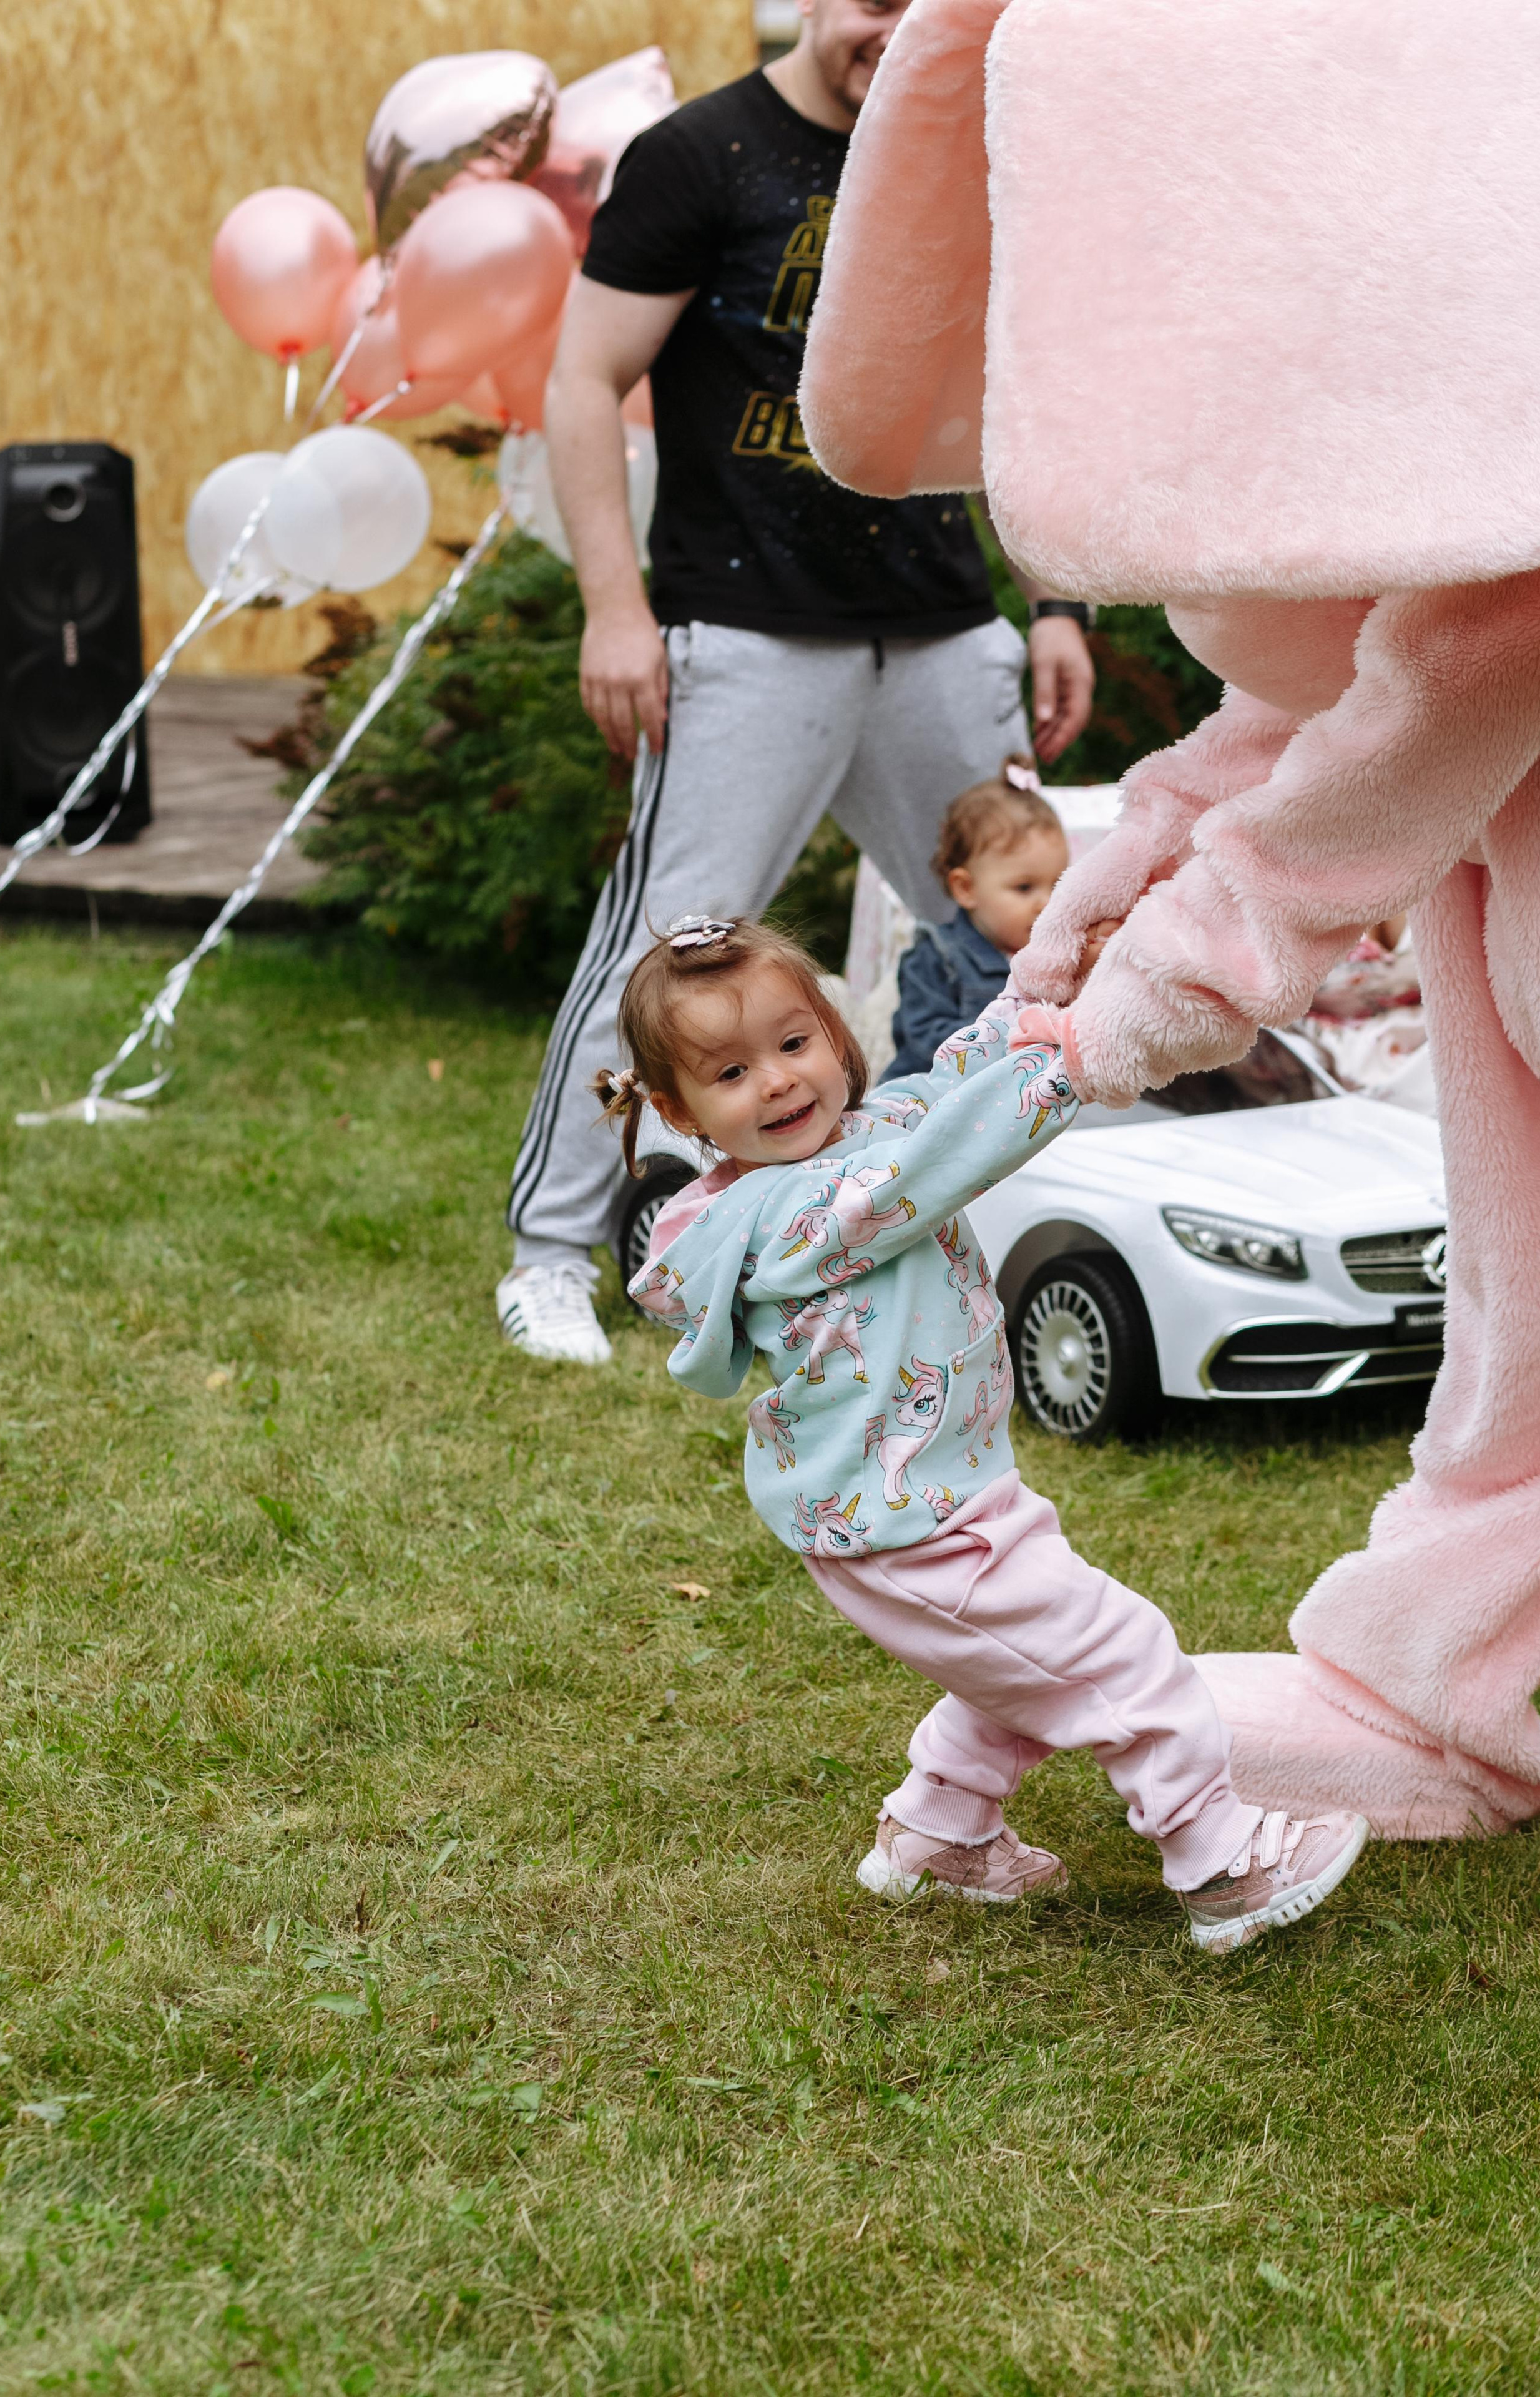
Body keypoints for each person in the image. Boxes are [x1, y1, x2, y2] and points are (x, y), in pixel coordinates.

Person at [497, 0, 1097, 1367]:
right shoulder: (697, 156)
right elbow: (584, 379)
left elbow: (1018, 397)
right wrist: (612, 608)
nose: (893, 31)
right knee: (664, 949)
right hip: (745, 632)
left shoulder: (967, 159)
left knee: (1033, 937)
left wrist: (1052, 601)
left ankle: (1040, 1216)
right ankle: (549, 1255)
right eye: (871, 4)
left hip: (942, 630)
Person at [599, 913, 1367, 1949]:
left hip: (943, 1492)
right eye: (731, 1073)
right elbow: (949, 1154)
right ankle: (1224, 1862)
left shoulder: (867, 1132)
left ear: (834, 1032)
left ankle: (938, 1836)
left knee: (1013, 1669)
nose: (778, 1083)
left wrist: (1040, 990)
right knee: (1121, 1654)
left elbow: (952, 1087)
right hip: (907, 1521)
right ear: (677, 1108)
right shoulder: (792, 1213)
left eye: (792, 1045)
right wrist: (1075, 1068)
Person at [883, 758, 1069, 1079]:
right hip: (927, 1104)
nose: (1047, 903)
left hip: (1011, 1103)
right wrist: (1022, 1031)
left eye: (1058, 884)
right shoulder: (938, 956)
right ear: (967, 889)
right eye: (1024, 888)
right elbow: (928, 1039)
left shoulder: (1056, 955)